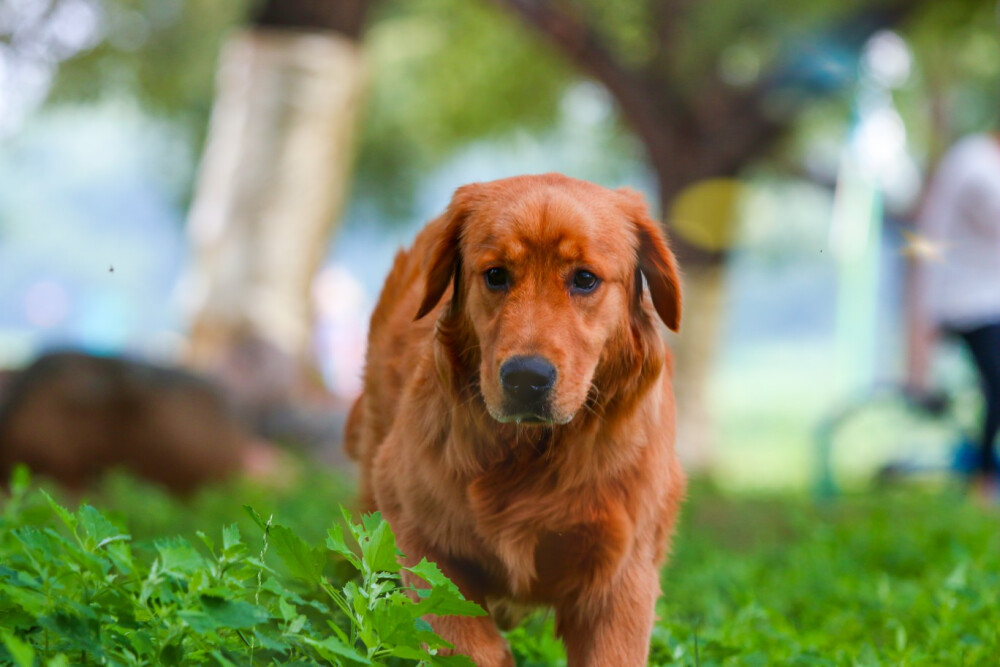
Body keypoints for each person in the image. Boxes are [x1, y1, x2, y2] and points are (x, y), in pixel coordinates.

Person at [908, 133, 1000, 500]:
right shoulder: (973, 163)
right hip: (969, 302)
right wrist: (925, 310)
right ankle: (982, 479)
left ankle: (983, 471)